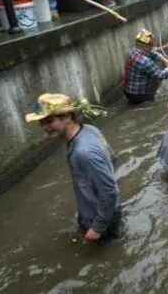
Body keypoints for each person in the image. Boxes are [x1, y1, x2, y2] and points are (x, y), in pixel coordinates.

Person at [24, 93, 121, 241]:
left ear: (67, 117)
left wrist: (97, 228)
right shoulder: (89, 129)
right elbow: (112, 158)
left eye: (49, 121)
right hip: (102, 211)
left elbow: (108, 194)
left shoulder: (84, 153)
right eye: (41, 123)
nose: (44, 127)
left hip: (100, 218)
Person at [123, 29, 168, 105]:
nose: (153, 46)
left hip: (128, 90)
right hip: (140, 96)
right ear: (144, 46)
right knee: (159, 76)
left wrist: (165, 61)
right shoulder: (145, 61)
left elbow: (152, 52)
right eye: (151, 45)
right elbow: (160, 75)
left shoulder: (132, 51)